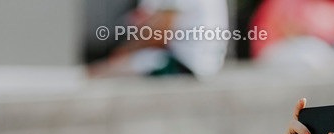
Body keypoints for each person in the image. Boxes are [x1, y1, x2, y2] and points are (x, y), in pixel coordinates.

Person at [88, 0, 229, 79]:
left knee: (102, 72)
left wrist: (123, 52)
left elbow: (159, 34)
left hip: (187, 65)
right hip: (206, 64)